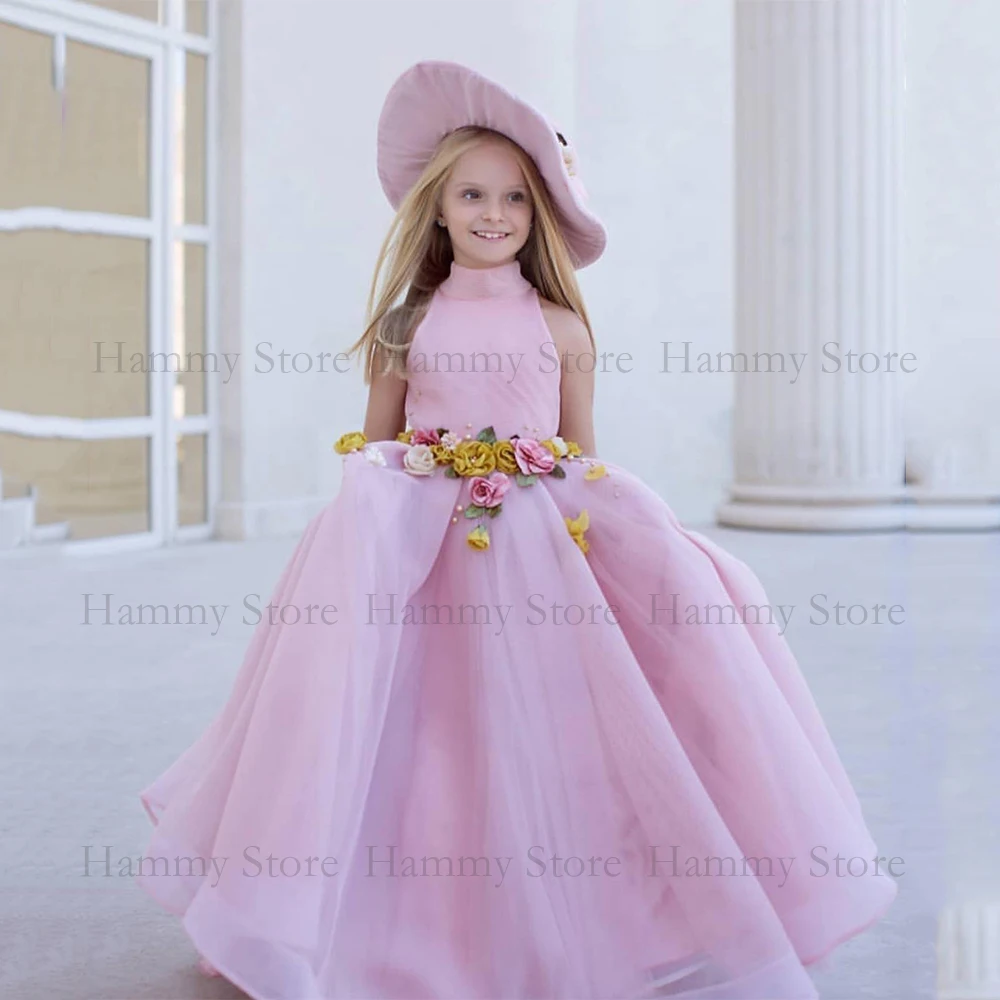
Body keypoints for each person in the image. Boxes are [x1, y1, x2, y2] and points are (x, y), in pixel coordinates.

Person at [135, 60, 897, 1000]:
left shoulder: (562, 327)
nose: (492, 213)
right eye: (471, 194)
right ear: (438, 207)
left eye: (514, 199)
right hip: (416, 541)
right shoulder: (407, 321)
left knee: (570, 716)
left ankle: (589, 912)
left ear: (539, 215)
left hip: (533, 541)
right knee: (415, 731)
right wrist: (381, 512)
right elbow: (375, 447)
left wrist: (599, 528)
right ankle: (372, 923)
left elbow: (579, 453)